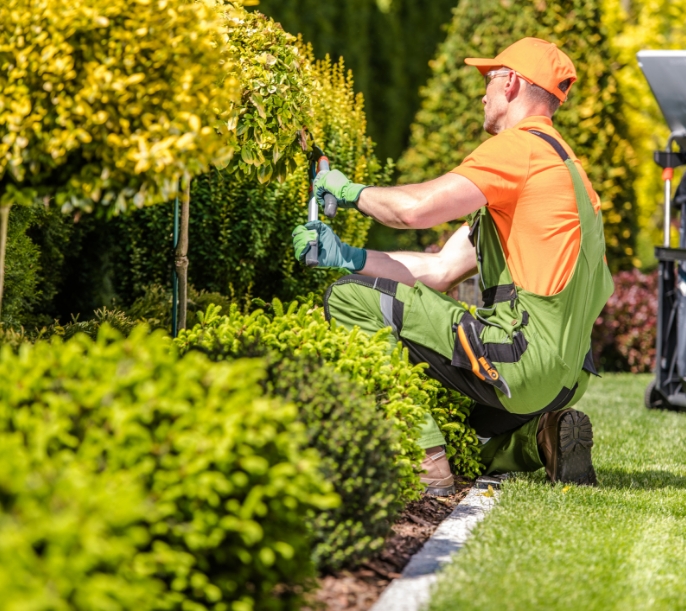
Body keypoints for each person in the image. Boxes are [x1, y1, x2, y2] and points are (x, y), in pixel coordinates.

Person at [292, 37, 614, 495]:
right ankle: (539, 439)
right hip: (565, 378)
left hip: (520, 359)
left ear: (513, 84)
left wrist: (349, 191)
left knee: (347, 298)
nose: (482, 93)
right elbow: (440, 270)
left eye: (489, 79)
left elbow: (414, 211)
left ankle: (424, 463)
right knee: (459, 422)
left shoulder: (519, 149)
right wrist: (346, 256)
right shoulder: (565, 171)